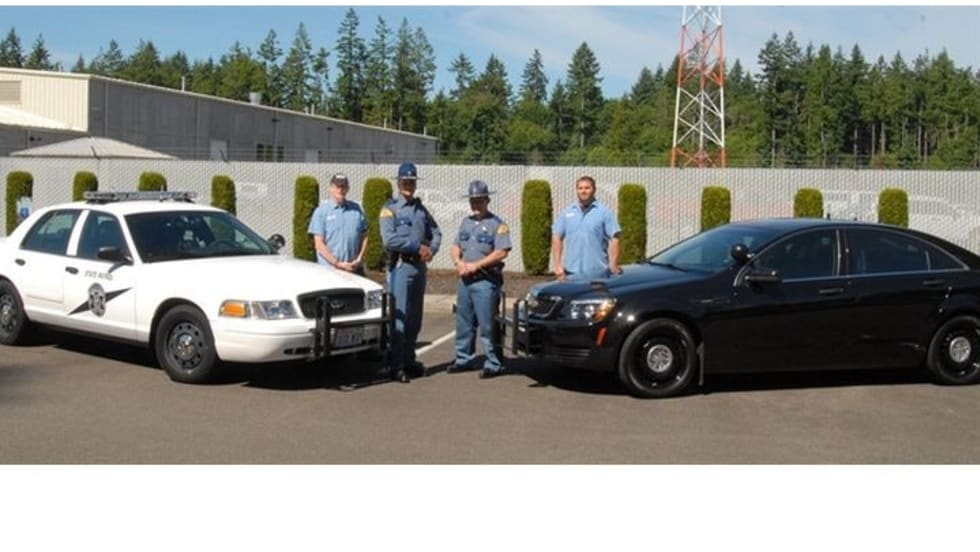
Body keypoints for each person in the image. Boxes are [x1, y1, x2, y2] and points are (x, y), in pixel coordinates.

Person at [379, 162, 442, 383]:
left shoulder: (421, 209)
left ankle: (409, 360)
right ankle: (395, 365)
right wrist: (417, 247)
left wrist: (431, 250)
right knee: (400, 318)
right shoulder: (390, 209)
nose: (408, 185)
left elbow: (436, 232)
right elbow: (390, 240)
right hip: (401, 267)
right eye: (405, 182)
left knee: (415, 318)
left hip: (419, 268)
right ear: (398, 183)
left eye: (412, 182)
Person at [448, 180, 511, 379]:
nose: (475, 204)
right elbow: (456, 245)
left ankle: (494, 363)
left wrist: (477, 265)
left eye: (479, 200)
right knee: (464, 322)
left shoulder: (497, 225)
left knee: (488, 324)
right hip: (465, 280)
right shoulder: (466, 223)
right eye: (473, 201)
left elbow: (502, 252)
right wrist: (458, 262)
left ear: (487, 200)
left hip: (485, 280)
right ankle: (463, 359)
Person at [551, 175, 622, 281]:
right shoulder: (566, 213)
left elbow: (615, 237)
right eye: (580, 188)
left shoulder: (604, 212)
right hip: (571, 272)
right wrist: (557, 266)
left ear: (594, 190)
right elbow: (556, 237)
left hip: (597, 273)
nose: (583, 191)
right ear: (576, 190)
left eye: (587, 188)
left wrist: (613, 264)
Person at [308, 173, 368, 276]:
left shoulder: (357, 210)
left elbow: (364, 236)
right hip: (329, 272)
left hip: (353, 270)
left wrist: (359, 259)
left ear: (348, 189)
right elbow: (319, 244)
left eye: (343, 186)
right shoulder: (321, 212)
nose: (340, 190)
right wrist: (337, 264)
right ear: (330, 188)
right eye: (337, 187)